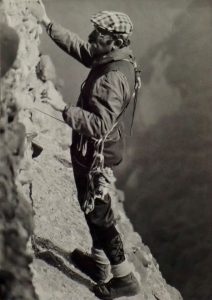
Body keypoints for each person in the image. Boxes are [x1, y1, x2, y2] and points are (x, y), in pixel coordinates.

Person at [32, 2, 141, 299]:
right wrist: (47, 24)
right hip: (96, 150)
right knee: (90, 205)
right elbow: (84, 50)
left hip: (95, 154)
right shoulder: (116, 59)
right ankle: (99, 262)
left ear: (116, 41)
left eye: (100, 34)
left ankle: (125, 276)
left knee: (99, 213)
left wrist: (61, 107)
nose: (93, 36)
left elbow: (99, 124)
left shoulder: (112, 78)